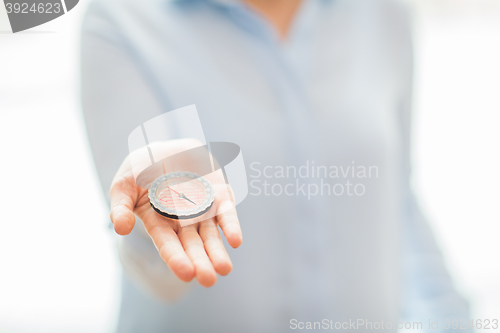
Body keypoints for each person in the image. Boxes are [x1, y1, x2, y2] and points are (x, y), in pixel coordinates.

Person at [81, 0, 470, 332]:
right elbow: (154, 262)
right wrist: (152, 219)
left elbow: (396, 203)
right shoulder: (121, 18)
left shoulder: (379, 11)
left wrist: (454, 320)